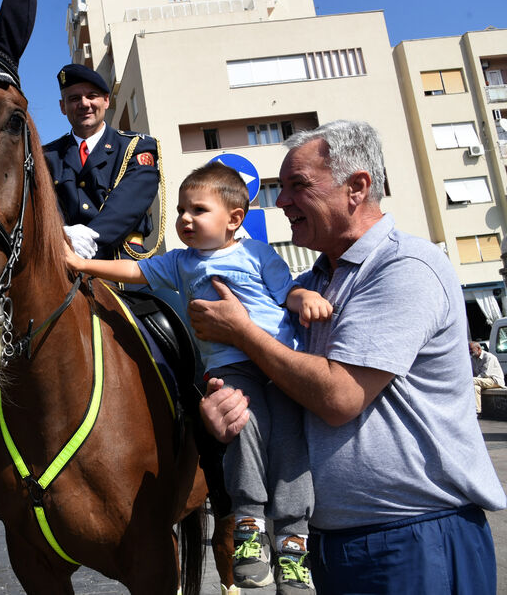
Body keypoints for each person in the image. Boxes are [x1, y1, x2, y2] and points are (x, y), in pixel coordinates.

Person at [192, 120, 507, 594]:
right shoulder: (309, 284)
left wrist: (242, 330)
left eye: (298, 186)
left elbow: (339, 395)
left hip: (413, 540)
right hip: (328, 544)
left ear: (357, 187)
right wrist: (225, 413)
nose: (280, 202)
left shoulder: (404, 268)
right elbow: (283, 386)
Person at [66, 162, 331, 593]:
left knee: (291, 450)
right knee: (241, 436)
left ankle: (293, 545)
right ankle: (247, 527)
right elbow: (136, 272)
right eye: (181, 211)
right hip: (230, 369)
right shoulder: (180, 262)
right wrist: (82, 264)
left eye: (198, 210)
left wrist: (308, 298)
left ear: (234, 219)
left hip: (279, 362)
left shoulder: (258, 254)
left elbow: (287, 293)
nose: (185, 219)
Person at [43, 64, 160, 261]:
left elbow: (128, 204)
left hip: (123, 266)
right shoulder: (47, 156)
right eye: (74, 98)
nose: (84, 103)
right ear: (63, 107)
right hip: (63, 263)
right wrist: (63, 236)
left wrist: (87, 239)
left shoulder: (135, 147)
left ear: (106, 100)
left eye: (91, 96)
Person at [471, 341, 504, 415]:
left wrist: (474, 378)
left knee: (471, 380)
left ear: (478, 348)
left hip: (494, 380)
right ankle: (477, 412)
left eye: (471, 349)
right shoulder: (472, 358)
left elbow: (485, 374)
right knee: (475, 387)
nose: (470, 352)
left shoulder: (488, 357)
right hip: (482, 381)